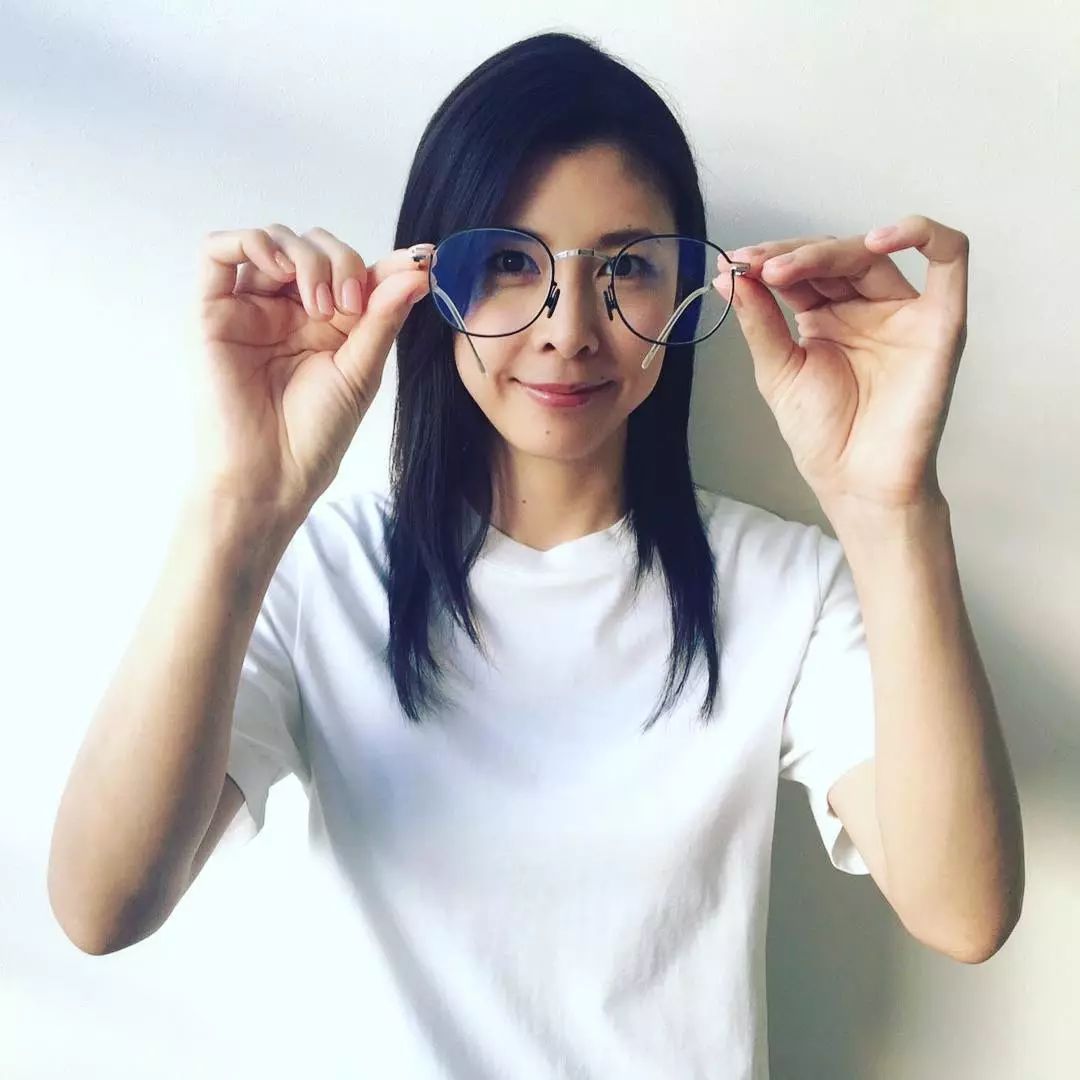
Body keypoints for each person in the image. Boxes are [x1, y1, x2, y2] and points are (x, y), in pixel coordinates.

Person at [48, 30, 1023, 1080]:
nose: (570, 329)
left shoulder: (780, 585)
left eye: (627, 267)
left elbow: (963, 910)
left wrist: (892, 504)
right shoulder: (316, 573)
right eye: (513, 262)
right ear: (426, 281)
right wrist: (239, 509)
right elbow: (101, 906)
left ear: (690, 289)